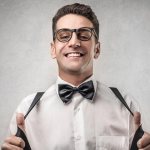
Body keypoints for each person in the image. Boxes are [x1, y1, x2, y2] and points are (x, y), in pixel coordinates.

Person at [1, 3, 150, 150]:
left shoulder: (127, 106)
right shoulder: (26, 110)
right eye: (64, 36)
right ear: (53, 49)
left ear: (97, 49)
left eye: (84, 35)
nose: (74, 42)